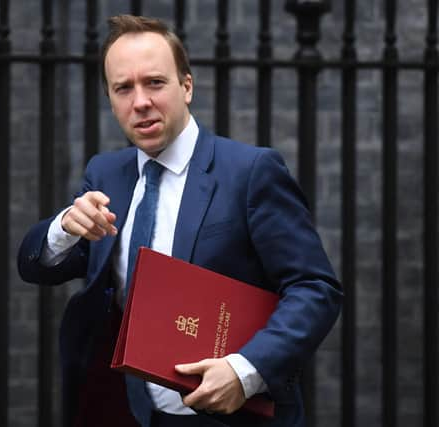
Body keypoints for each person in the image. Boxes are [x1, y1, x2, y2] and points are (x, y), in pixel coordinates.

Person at [17, 14, 342, 427]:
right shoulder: (105, 174)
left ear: (186, 86)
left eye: (154, 82)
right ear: (111, 99)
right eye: (123, 88)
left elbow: (316, 289)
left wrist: (245, 371)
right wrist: (64, 226)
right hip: (127, 412)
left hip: (230, 416)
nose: (140, 101)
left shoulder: (250, 171)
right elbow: (35, 265)